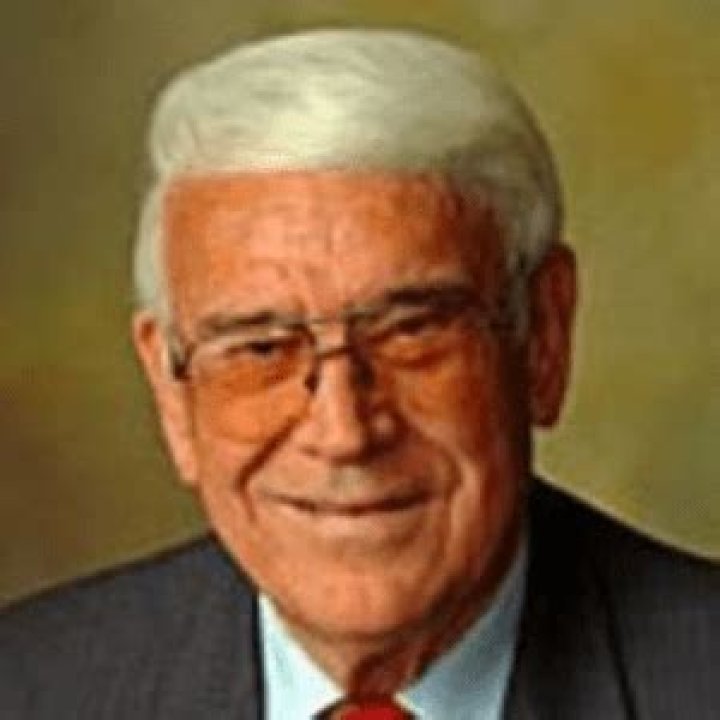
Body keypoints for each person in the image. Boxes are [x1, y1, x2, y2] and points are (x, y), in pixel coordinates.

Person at [1, 28, 717, 720]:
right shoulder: (29, 688)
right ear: (169, 387)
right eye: (260, 348)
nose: (343, 433)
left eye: (411, 330)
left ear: (544, 339)